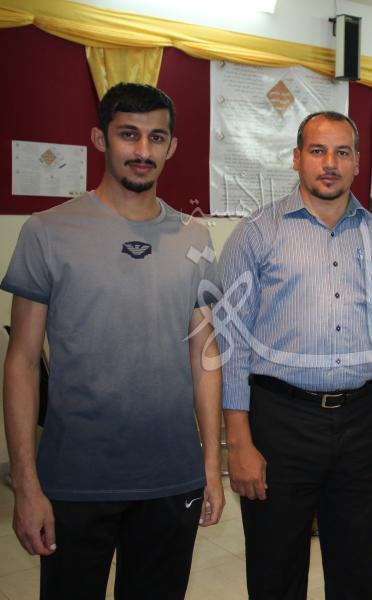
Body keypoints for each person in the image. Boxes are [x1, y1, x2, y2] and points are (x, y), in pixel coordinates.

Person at [2, 83, 224, 599]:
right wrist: (27, 485)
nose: (143, 150)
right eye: (128, 135)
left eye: (156, 137)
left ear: (172, 146)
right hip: (75, 477)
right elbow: (22, 363)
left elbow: (204, 353)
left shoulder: (195, 237)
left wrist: (211, 467)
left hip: (171, 475)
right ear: (100, 139)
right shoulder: (47, 232)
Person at [217, 111, 372, 599]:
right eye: (317, 151)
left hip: (363, 424)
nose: (329, 163)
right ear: (296, 158)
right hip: (279, 421)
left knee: (356, 573)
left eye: (342, 152)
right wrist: (238, 443)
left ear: (358, 163)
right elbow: (230, 346)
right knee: (274, 571)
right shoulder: (257, 234)